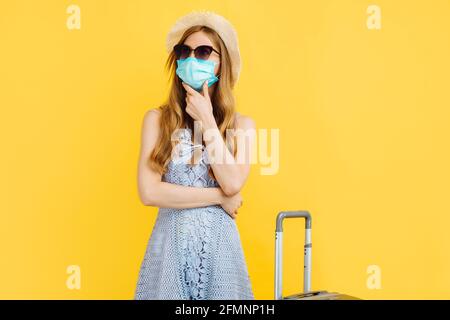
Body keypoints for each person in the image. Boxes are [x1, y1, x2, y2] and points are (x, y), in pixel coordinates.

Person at [134, 10, 255, 300]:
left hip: (220, 251)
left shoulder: (242, 126)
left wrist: (207, 120)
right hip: (168, 254)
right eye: (184, 51)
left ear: (221, 63)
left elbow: (232, 183)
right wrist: (218, 199)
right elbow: (149, 192)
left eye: (203, 52)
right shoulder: (156, 120)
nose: (192, 59)